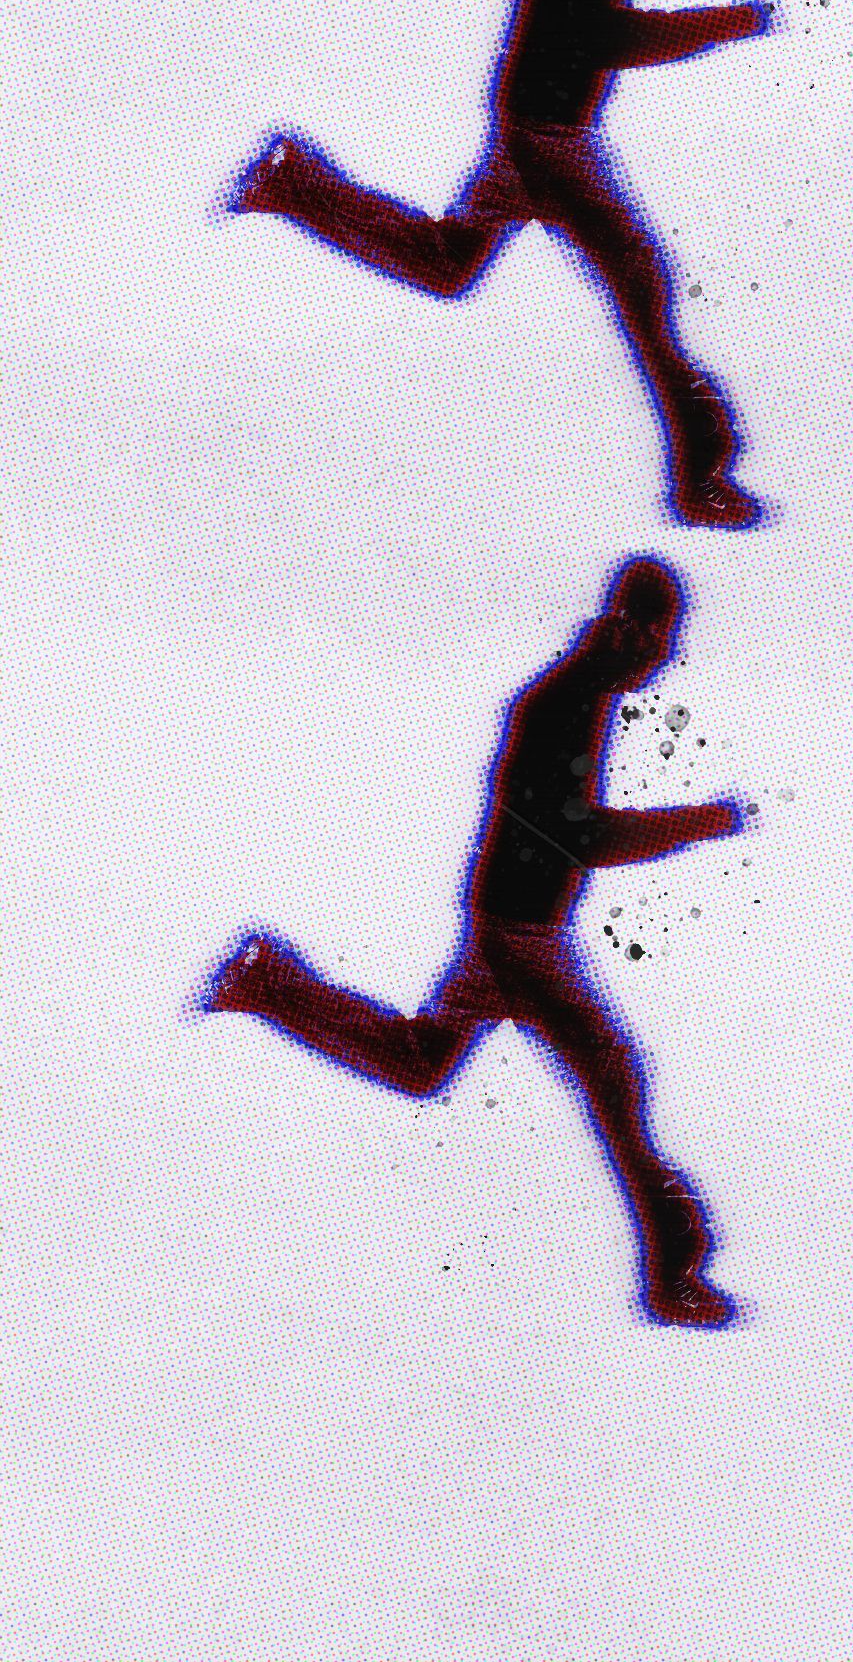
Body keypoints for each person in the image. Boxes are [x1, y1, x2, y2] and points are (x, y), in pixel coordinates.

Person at [200, 557, 754, 1328]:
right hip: (520, 940)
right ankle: (673, 1277)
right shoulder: (564, 702)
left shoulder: (575, 695)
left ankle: (269, 984)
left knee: (423, 1063)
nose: (665, 660)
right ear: (632, 630)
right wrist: (699, 821)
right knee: (614, 1079)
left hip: (509, 929)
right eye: (663, 640)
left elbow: (565, 833)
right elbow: (581, 837)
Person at [229, 0, 775, 530]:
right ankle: (700, 477)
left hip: (534, 130)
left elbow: (581, 33)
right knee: (642, 285)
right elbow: (600, 36)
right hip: (548, 140)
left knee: (450, 265)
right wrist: (722, 24)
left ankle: (293, 184)